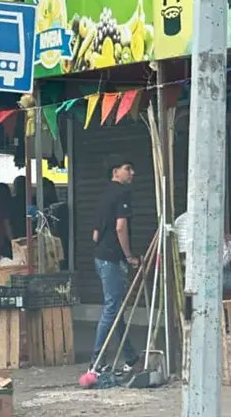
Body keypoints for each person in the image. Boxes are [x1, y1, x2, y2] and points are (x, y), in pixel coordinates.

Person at [91, 155, 140, 373]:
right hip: (113, 258)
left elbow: (94, 235)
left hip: (100, 257)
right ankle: (96, 361)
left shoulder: (102, 196)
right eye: (127, 168)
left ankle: (130, 357)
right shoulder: (122, 193)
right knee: (112, 308)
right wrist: (129, 256)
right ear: (115, 172)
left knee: (116, 308)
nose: (132, 173)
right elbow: (121, 228)